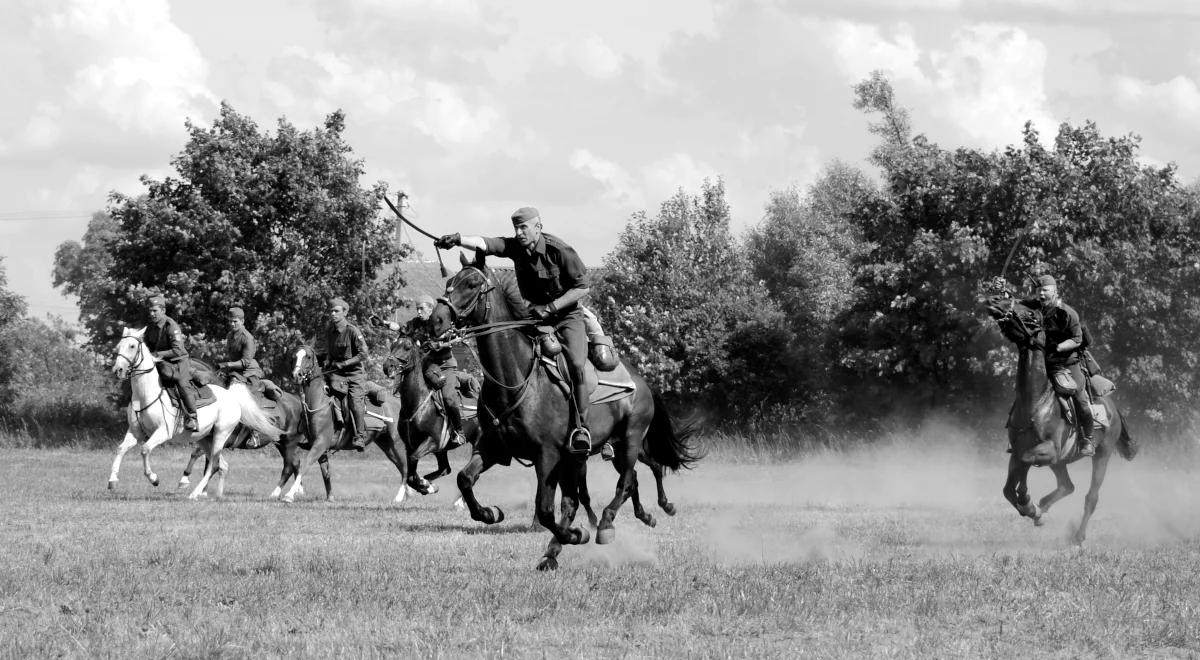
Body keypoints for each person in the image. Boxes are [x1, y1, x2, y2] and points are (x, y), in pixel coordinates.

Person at [435, 206, 614, 461]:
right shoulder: (517, 248)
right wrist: (457, 239)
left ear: (538, 227)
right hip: (534, 316)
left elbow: (582, 287)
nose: (519, 233)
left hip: (567, 317)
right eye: (516, 228)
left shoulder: (559, 250)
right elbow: (488, 244)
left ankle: (580, 428)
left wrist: (552, 307)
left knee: (575, 363)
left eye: (524, 228)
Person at [1023, 274, 1095, 457]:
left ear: (1055, 291)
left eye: (1045, 291)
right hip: (1043, 365)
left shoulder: (1068, 313)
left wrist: (1058, 347)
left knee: (1081, 400)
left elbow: (1077, 339)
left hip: (1068, 364)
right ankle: (1018, 434)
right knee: (1024, 394)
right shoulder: (1036, 307)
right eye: (1038, 291)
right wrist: (1003, 293)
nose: (1041, 295)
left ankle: (1088, 439)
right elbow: (1015, 304)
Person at [405, 294, 467, 448]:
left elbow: (458, 337)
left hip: (446, 365)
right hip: (429, 366)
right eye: (417, 309)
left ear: (430, 309)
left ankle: (459, 432)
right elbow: (401, 328)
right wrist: (384, 323)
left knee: (448, 397)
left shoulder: (441, 320)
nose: (418, 312)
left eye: (421, 308)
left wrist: (441, 345)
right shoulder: (416, 323)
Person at [317, 297, 370, 451]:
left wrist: (344, 363)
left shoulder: (352, 331)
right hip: (335, 374)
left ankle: (360, 436)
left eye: (336, 311)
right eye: (331, 311)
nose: (333, 314)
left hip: (354, 375)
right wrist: (325, 359)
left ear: (344, 312)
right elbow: (329, 352)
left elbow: (364, 354)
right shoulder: (330, 330)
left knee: (355, 402)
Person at [144, 295, 199, 432]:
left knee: (182, 383)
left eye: (155, 311)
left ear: (163, 310)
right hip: (161, 363)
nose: (152, 314)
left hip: (178, 361)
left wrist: (158, 354)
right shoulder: (150, 328)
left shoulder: (171, 326)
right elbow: (148, 347)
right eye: (150, 311)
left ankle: (192, 418)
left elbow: (178, 350)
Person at [218, 307, 264, 387]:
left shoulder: (247, 337)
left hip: (249, 372)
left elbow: (245, 362)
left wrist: (227, 364)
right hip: (234, 371)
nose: (232, 324)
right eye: (230, 321)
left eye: (235, 321)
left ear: (242, 321)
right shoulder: (229, 335)